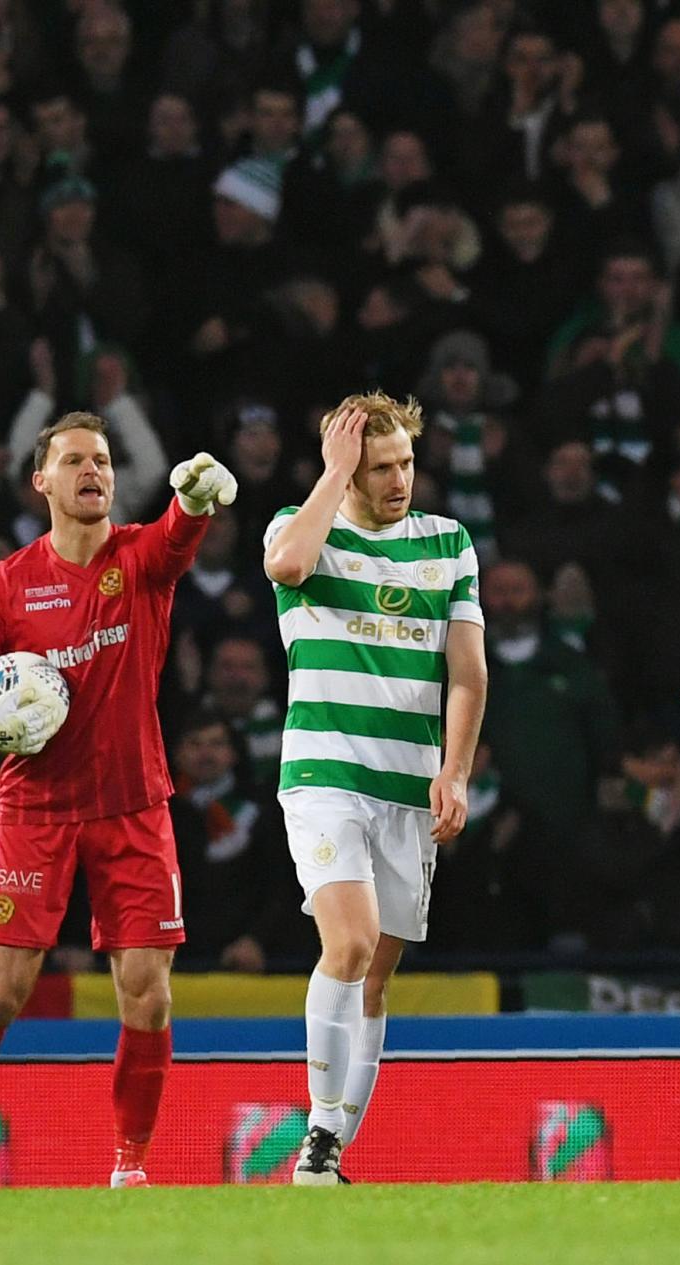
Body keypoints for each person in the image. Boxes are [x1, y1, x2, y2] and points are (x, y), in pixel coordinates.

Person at [0, 414, 237, 1189]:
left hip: (133, 807)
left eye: (105, 461)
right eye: (74, 460)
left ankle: (130, 1168)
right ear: (40, 481)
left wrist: (197, 501)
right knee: (0, 994)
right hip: (36, 812)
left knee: (147, 994)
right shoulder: (7, 583)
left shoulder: (139, 559)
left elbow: (178, 537)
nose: (94, 471)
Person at [261, 393, 490, 1184]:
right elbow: (286, 567)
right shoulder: (303, 525)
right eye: (380, 467)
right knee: (349, 944)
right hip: (325, 775)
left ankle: (327, 1162)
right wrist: (331, 475)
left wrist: (455, 769)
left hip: (408, 787)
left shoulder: (448, 542)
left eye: (406, 464)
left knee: (378, 976)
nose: (398, 481)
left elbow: (466, 672)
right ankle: (320, 1129)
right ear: (347, 470)